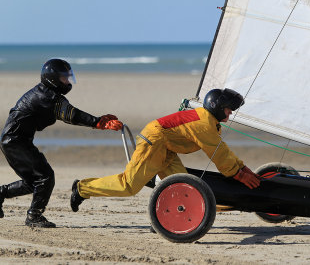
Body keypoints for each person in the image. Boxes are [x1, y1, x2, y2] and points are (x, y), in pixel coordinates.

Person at [70, 88, 260, 214]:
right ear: (217, 107)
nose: (231, 113)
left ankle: (162, 220)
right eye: (229, 109)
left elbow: (221, 149)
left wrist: (242, 168)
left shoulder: (210, 123)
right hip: (154, 142)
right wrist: (238, 174)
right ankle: (82, 188)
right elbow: (219, 154)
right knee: (128, 186)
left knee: (184, 190)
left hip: (166, 147)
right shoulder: (204, 124)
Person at [0, 59, 123, 228]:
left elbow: (69, 113)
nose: (68, 81)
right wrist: (98, 122)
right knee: (45, 177)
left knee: (35, 181)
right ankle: (34, 216)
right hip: (15, 142)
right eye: (64, 77)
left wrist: (98, 121)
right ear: (53, 78)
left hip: (14, 140)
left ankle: (1, 194)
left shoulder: (46, 93)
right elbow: (72, 115)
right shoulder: (47, 97)